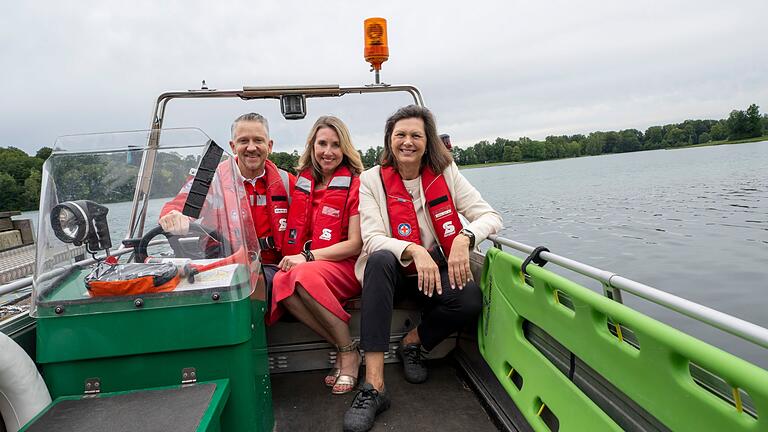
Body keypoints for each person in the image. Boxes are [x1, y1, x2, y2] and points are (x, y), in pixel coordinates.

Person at [343, 105, 502, 432]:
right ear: (390, 140)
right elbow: (372, 238)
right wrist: (413, 249)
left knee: (471, 299)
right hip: (393, 275)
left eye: (416, 135)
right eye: (400, 135)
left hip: (433, 274)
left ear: (427, 142)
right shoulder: (371, 180)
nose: (407, 142)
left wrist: (464, 238)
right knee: (379, 259)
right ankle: (374, 386)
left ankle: (412, 344)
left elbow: (490, 217)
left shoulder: (446, 173)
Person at [267, 116, 364, 395]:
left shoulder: (355, 185)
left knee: (298, 274)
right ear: (312, 146)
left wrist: (307, 257)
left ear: (344, 149)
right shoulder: (301, 184)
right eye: (322, 143)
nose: (328, 151)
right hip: (308, 266)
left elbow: (355, 244)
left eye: (336, 145)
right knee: (282, 282)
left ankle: (347, 354)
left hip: (344, 266)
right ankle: (344, 346)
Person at [159, 113, 296, 291]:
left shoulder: (287, 182)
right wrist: (174, 216)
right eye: (244, 141)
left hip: (275, 267)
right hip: (225, 265)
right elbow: (179, 207)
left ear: (269, 146)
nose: (251, 147)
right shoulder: (211, 181)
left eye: (258, 140)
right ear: (233, 146)